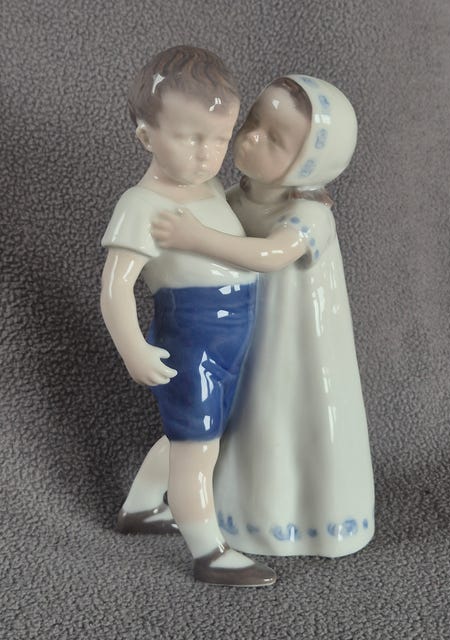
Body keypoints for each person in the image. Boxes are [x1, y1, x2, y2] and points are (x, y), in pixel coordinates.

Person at [152, 75, 375, 557]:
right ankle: (216, 505)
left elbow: (272, 254)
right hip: (240, 332)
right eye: (253, 121)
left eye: (274, 139)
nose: (251, 137)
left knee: (283, 415)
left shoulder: (310, 215)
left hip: (293, 344)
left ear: (309, 163)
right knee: (239, 418)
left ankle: (298, 521)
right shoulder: (236, 196)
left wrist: (195, 237)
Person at [100, 46, 276, 586]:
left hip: (234, 330)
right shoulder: (141, 204)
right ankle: (208, 550)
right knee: (197, 447)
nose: (206, 154)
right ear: (146, 137)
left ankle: (140, 506)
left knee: (196, 432)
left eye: (218, 139)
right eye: (189, 138)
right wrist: (133, 346)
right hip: (191, 333)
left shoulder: (209, 189)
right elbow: (115, 288)